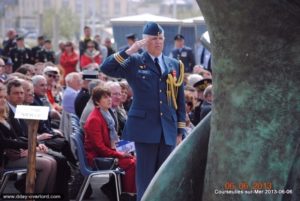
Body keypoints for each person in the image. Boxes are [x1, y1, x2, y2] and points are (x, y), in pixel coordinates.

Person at [101, 21, 186, 201]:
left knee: (165, 177)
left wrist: (180, 129)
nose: (158, 42)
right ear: (144, 41)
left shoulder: (174, 64)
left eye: (160, 38)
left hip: (168, 128)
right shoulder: (135, 61)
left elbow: (179, 98)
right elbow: (106, 68)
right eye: (153, 38)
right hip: (144, 128)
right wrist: (129, 51)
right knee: (146, 177)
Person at [0, 83, 57, 193]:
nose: (3, 100)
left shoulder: (4, 115)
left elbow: (15, 137)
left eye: (3, 97)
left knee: (52, 162)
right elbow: (4, 142)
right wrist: (31, 145)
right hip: (6, 158)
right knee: (47, 164)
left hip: (14, 153)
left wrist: (34, 143)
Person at [84, 86, 136, 200]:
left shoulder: (105, 113)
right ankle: (128, 195)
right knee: (131, 163)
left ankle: (115, 189)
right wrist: (120, 154)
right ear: (97, 101)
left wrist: (123, 148)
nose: (109, 99)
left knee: (136, 152)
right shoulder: (95, 119)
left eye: (109, 96)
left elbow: (110, 140)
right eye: (105, 97)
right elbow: (100, 148)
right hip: (97, 157)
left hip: (109, 148)